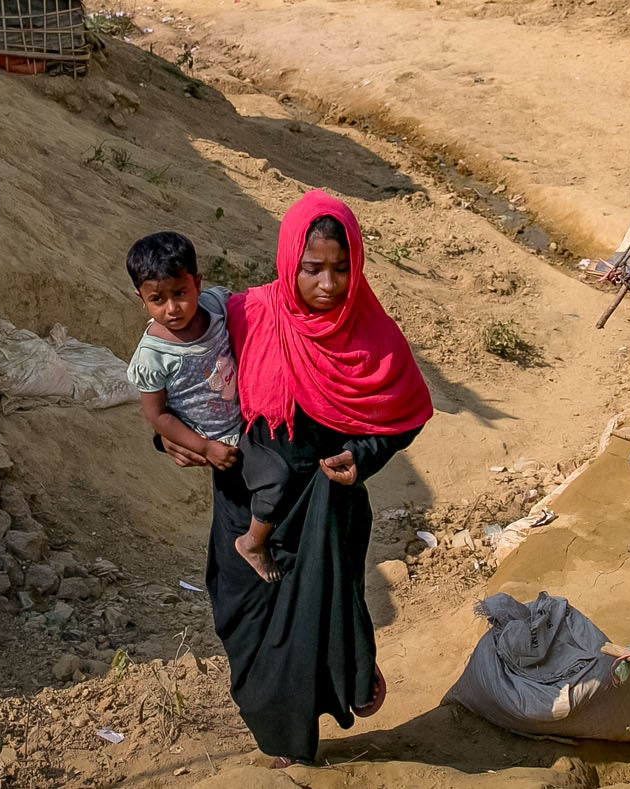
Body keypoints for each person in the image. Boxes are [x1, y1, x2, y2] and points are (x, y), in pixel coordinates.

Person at [161, 190, 434, 767]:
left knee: (315, 616)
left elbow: (403, 413)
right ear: (290, 263)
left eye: (341, 268)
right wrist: (168, 436)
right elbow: (185, 379)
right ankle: (287, 710)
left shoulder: (372, 336)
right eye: (313, 269)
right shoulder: (245, 314)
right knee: (243, 615)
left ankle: (294, 734)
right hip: (245, 505)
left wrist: (361, 455)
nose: (329, 284)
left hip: (323, 509)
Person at [124, 232, 282, 580]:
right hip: (216, 443)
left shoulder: (216, 306)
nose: (171, 308)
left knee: (271, 483)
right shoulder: (152, 356)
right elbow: (155, 414)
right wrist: (204, 447)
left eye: (179, 293)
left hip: (246, 426)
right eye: (157, 299)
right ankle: (250, 546)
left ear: (197, 283)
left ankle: (255, 543)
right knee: (259, 491)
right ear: (141, 299)